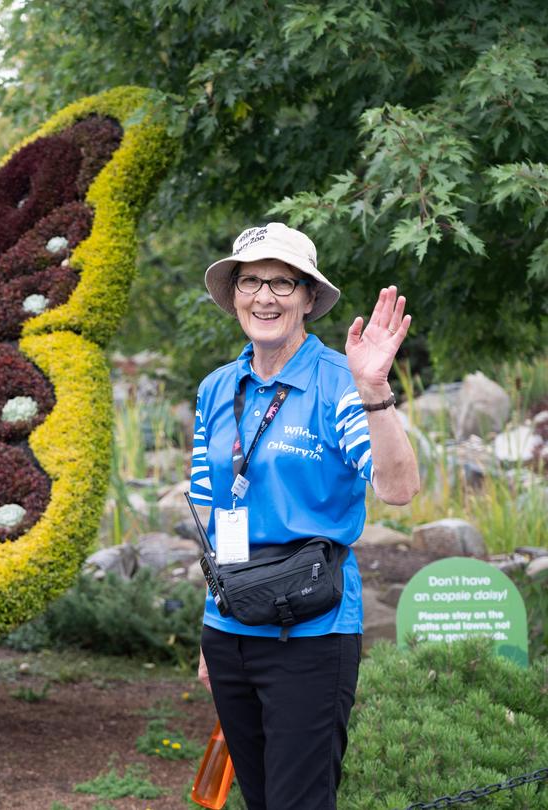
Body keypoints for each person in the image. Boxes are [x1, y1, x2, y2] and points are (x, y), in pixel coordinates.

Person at [188, 223, 420, 809]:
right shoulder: (216, 388)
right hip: (231, 629)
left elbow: (399, 488)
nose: (264, 296)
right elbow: (214, 511)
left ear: (309, 297)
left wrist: (374, 388)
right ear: (234, 295)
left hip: (311, 634)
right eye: (250, 281)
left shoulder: (341, 384)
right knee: (262, 800)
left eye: (282, 283)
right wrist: (213, 623)